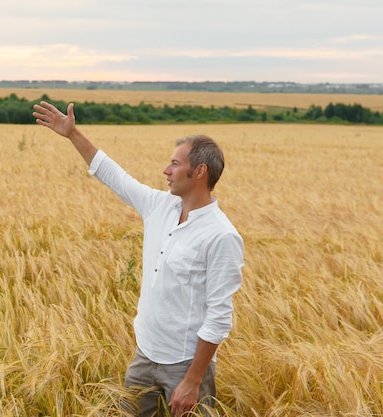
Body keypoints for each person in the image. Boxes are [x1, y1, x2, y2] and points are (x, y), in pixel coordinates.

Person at [32, 101, 244, 417]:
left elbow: (219, 316)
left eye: (174, 163)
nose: (166, 171)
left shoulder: (221, 235)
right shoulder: (160, 207)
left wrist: (192, 380)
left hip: (184, 368)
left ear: (199, 171)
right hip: (145, 357)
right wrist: (72, 134)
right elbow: (115, 176)